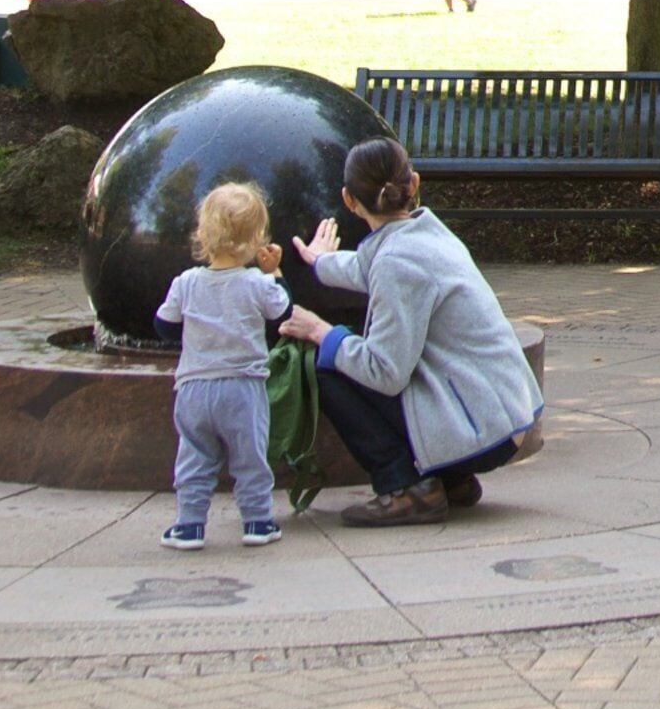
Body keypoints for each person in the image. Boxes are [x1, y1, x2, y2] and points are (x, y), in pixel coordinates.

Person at [279, 138, 541, 527]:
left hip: (484, 432)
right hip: (504, 416)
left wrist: (321, 331)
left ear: (349, 201)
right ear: (414, 184)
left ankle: (406, 490)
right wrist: (320, 263)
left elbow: (385, 373)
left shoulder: (397, 262)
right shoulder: (426, 232)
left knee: (325, 365)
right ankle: (452, 479)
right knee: (346, 348)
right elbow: (369, 266)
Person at [156, 182, 290, 551]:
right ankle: (258, 522)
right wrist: (275, 272)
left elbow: (164, 327)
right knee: (250, 457)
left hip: (194, 388)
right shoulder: (255, 283)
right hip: (242, 386)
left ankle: (189, 525)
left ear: (203, 234)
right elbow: (283, 312)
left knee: (195, 457)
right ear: (256, 239)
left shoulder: (185, 282)